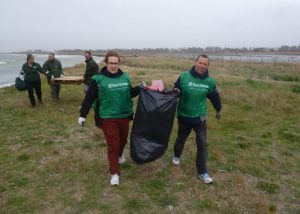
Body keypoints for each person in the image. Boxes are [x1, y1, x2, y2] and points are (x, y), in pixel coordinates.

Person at [78, 51, 140, 186]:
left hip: (124, 115)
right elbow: (89, 98)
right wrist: (83, 114)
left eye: (115, 63)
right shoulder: (98, 79)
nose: (113, 65)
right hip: (108, 117)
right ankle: (114, 174)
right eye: (111, 63)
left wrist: (140, 88)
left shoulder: (125, 77)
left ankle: (119, 156)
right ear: (106, 63)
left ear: (119, 63)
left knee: (123, 141)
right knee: (113, 146)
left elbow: (129, 94)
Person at [172, 54, 222, 184]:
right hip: (184, 115)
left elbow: (214, 96)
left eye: (205, 64)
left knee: (202, 144)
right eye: (200, 63)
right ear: (195, 62)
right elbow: (176, 90)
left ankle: (203, 172)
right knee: (181, 139)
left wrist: (218, 110)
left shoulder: (210, 82)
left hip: (200, 117)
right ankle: (177, 155)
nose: (202, 66)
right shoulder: (184, 77)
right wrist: (175, 92)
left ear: (207, 66)